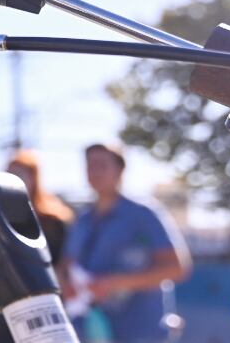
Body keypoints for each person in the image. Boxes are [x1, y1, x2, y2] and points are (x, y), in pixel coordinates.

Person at [64, 142, 191, 343]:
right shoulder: (82, 220)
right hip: (90, 332)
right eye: (90, 165)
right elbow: (68, 265)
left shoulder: (142, 214)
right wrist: (69, 286)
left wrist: (113, 283)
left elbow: (177, 268)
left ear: (120, 170)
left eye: (102, 165)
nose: (95, 171)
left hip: (140, 333)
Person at [0, 149, 74, 343]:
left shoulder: (53, 222)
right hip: (0, 315)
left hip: (41, 313)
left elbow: (63, 269)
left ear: (34, 178)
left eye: (20, 174)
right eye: (9, 174)